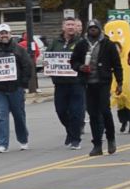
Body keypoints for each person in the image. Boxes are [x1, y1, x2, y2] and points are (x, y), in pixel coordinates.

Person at [71, 19, 124, 156]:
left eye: (95, 28)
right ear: (87, 30)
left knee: (105, 110)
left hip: (103, 82)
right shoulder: (82, 45)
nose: (93, 30)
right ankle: (97, 145)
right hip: (88, 83)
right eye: (90, 28)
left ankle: (111, 138)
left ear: (100, 29)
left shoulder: (108, 45)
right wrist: (79, 67)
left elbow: (117, 65)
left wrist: (119, 82)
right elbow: (73, 61)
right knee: (93, 114)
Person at [0, 23, 32, 153]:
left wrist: (22, 84)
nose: (4, 35)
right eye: (1, 33)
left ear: (10, 34)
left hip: (15, 89)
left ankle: (23, 140)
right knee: (1, 117)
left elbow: (27, 67)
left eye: (6, 33)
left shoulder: (19, 50)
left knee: (19, 116)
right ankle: (2, 144)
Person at [48, 17, 85, 150]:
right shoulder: (55, 43)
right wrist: (47, 63)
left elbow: (85, 59)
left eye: (73, 25)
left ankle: (76, 139)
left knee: (76, 111)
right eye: (68, 25)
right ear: (63, 27)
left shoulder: (81, 42)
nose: (70, 27)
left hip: (76, 83)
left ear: (76, 28)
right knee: (61, 111)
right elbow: (47, 56)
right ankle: (70, 131)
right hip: (60, 83)